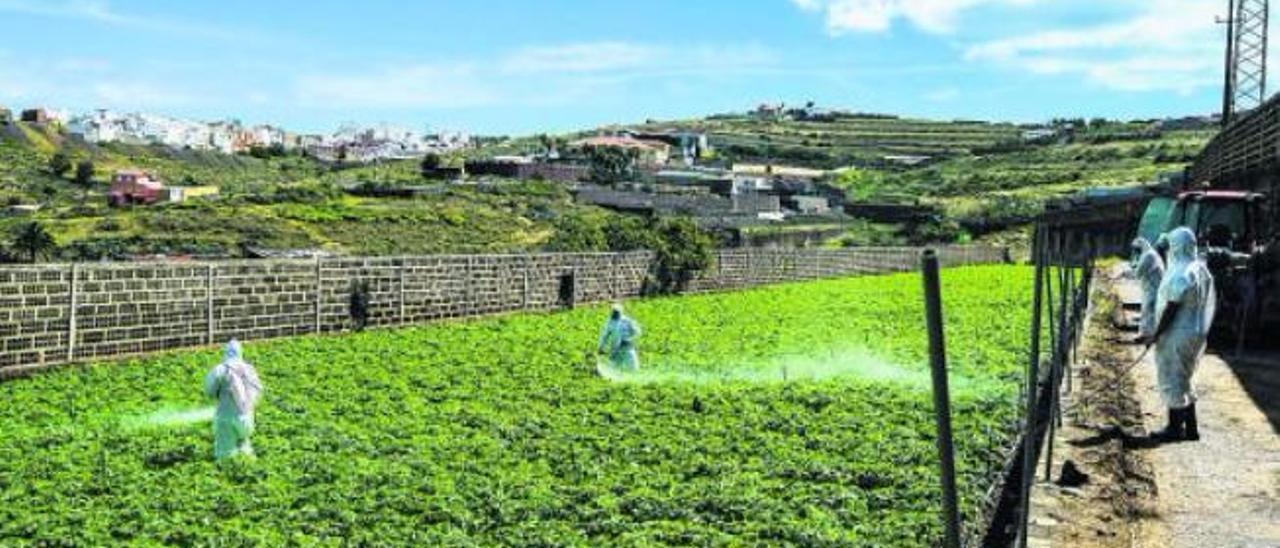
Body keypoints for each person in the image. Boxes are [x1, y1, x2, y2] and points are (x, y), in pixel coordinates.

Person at [1142, 227, 1216, 442]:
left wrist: (1156, 334)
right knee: (1186, 376)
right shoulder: (1200, 269)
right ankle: (1191, 429)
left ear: (1176, 247)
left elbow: (1172, 306)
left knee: (1172, 376)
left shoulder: (1181, 271)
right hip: (1195, 332)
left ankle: (1174, 429)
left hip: (1177, 332)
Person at [204, 339, 263, 460]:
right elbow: (258, 390)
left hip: (225, 417)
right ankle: (249, 468)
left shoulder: (220, 369)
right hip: (246, 418)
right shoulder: (249, 369)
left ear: (225, 353)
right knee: (244, 444)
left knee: (225, 452)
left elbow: (209, 390)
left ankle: (229, 472)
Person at [1131, 237, 1165, 341]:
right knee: (1150, 312)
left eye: (1137, 249)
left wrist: (1125, 273)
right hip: (1153, 287)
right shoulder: (1150, 254)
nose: (1136, 252)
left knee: (1147, 311)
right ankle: (1148, 334)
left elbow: (1138, 273)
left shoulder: (1148, 256)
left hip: (1153, 288)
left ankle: (1145, 335)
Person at [598, 304, 642, 370]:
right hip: (616, 348)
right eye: (614, 312)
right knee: (614, 366)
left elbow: (637, 331)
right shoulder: (609, 323)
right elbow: (604, 337)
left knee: (634, 366)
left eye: (616, 312)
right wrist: (601, 348)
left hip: (627, 346)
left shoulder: (627, 321)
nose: (615, 313)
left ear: (620, 312)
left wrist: (629, 338)